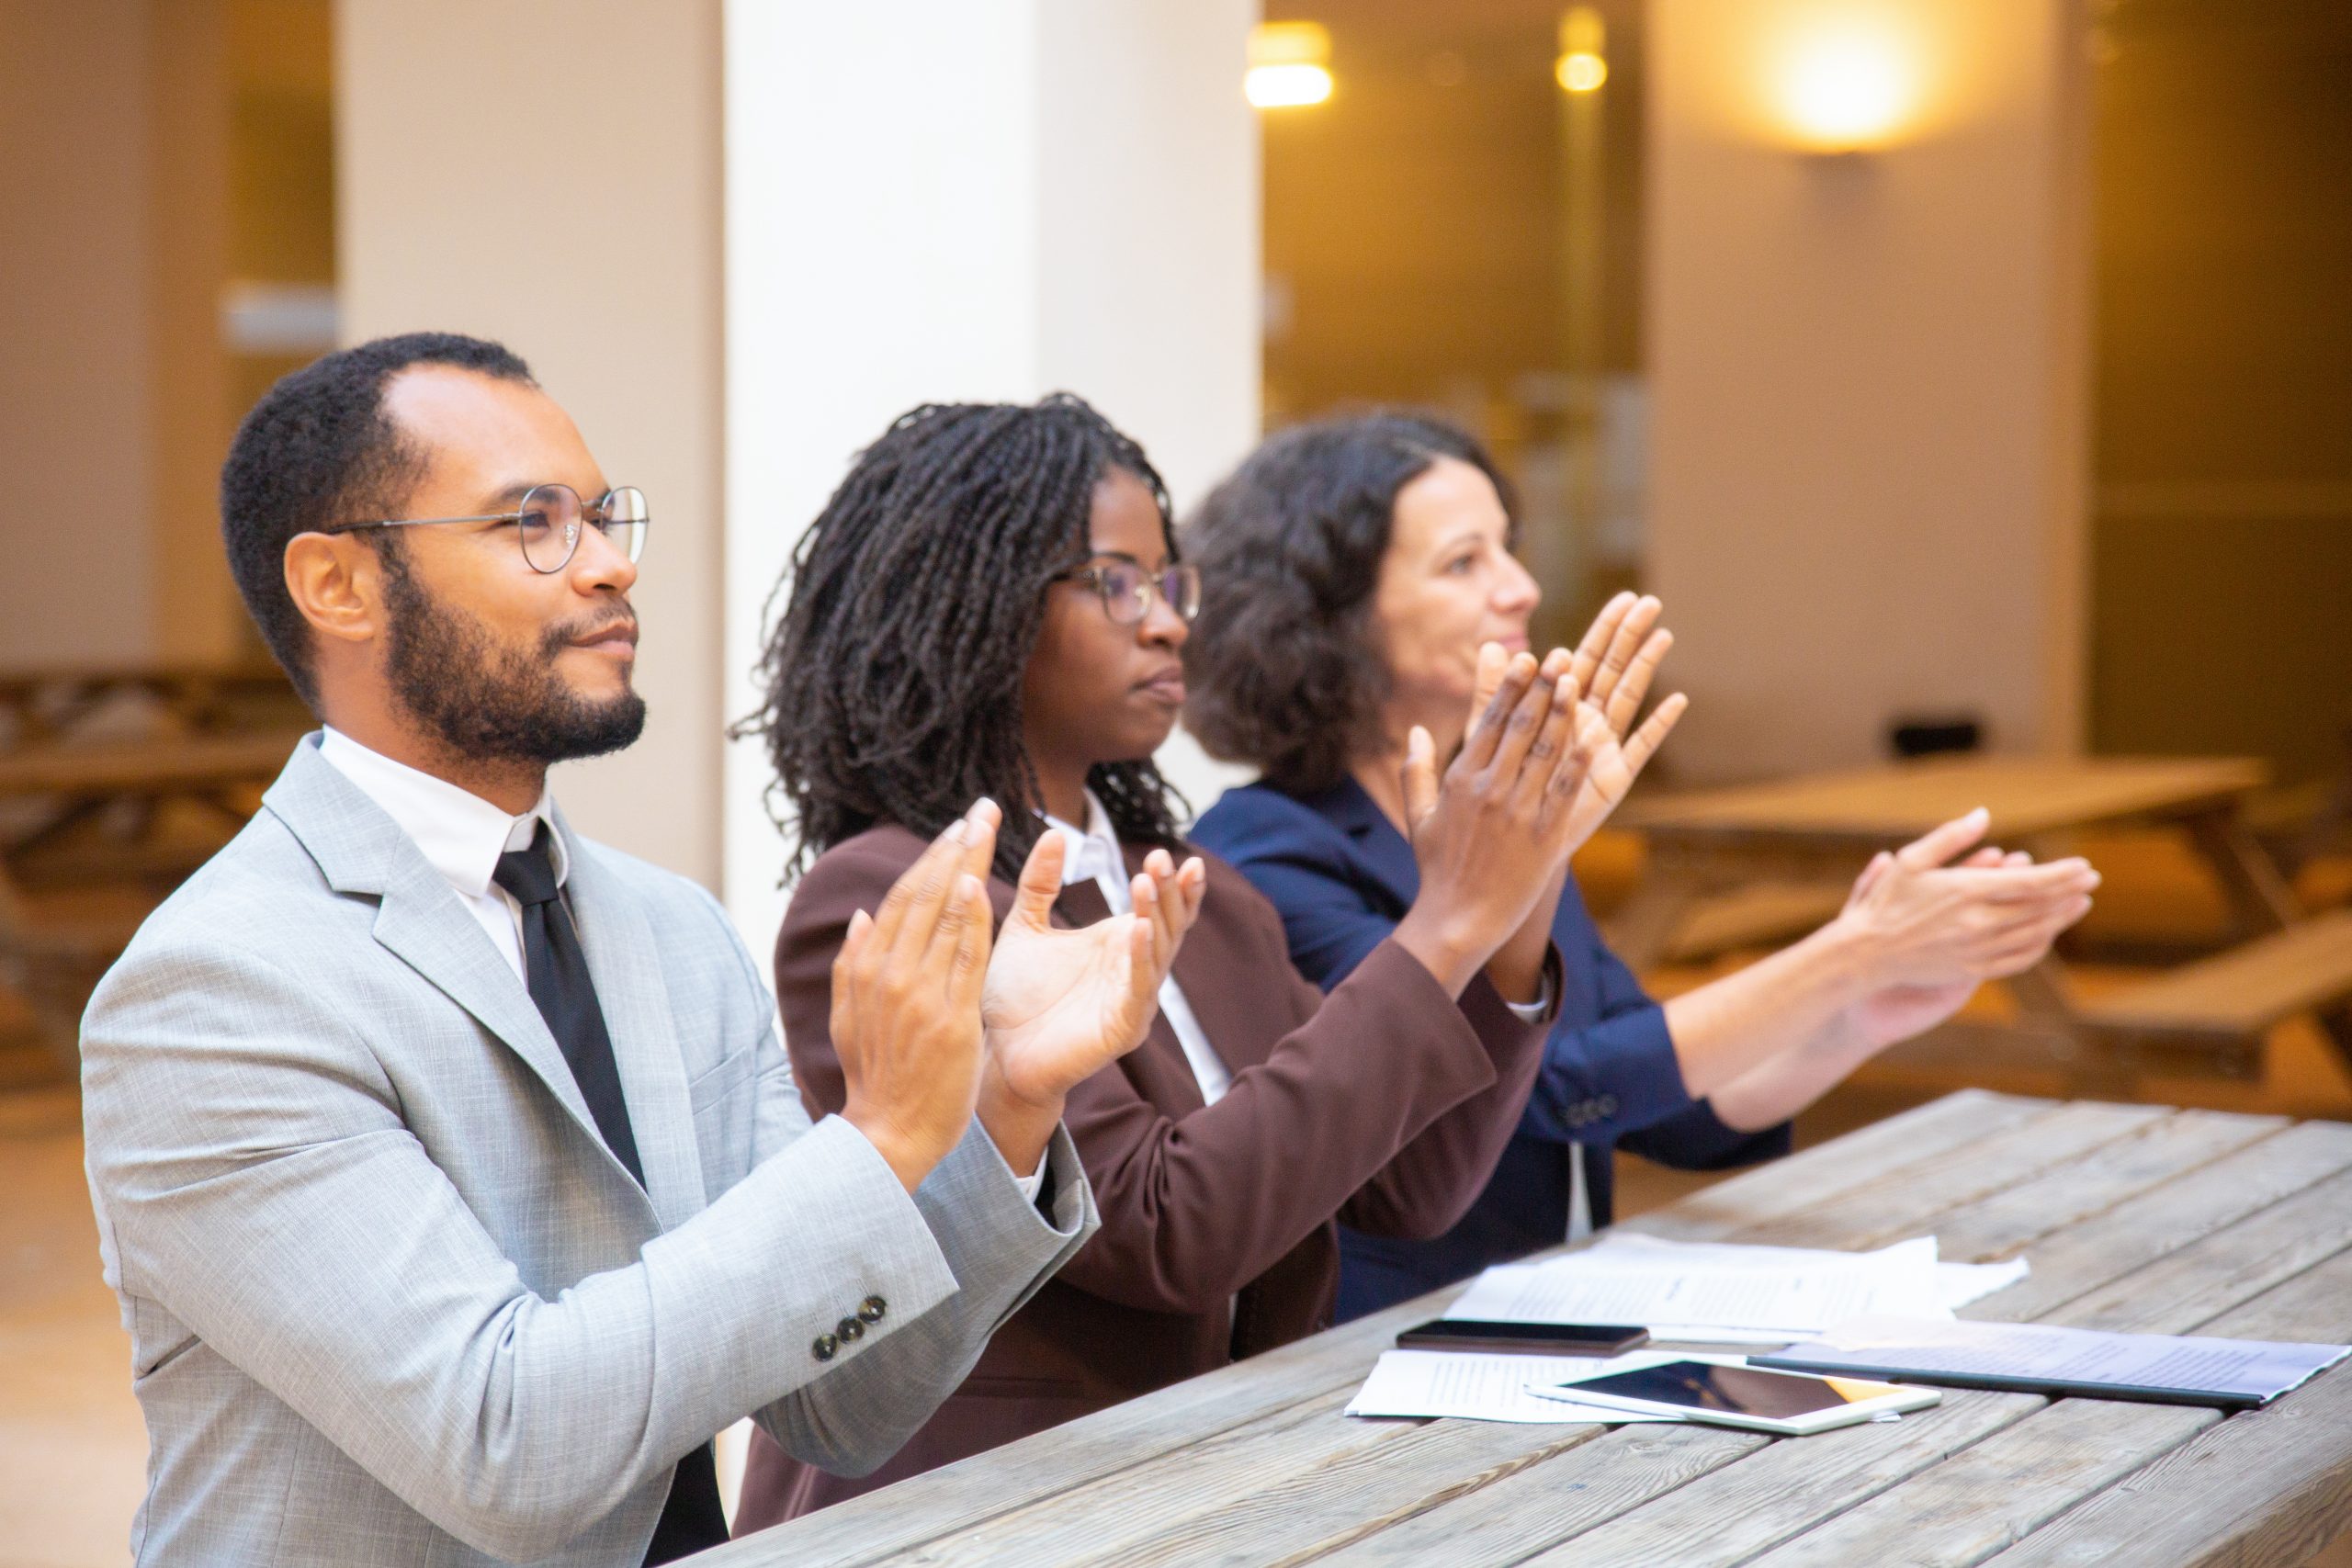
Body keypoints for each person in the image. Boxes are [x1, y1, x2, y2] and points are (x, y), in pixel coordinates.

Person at [78, 334, 1170, 1566]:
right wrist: (879, 1139)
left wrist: (1007, 1102)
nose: (610, 563)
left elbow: (844, 1405)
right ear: (340, 584)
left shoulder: (673, 927)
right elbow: (507, 1444)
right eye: (533, 521)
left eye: (603, 515)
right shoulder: (213, 991)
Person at [730, 393, 1651, 1530]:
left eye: (1172, 585)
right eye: (1116, 582)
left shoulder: (1197, 890)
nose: (1166, 622)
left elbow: (1412, 1188)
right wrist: (1443, 923)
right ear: (973, 603)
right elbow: (1167, 1232)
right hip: (974, 1518)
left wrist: (1521, 882)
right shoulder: (891, 896)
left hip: (1204, 1489)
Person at [1183, 412, 2101, 1319]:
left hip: (1535, 1324)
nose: (1520, 588)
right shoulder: (1262, 852)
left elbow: (1668, 1110)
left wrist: (1855, 1015)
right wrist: (1845, 954)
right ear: (1328, 615)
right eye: (1464, 563)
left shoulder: (1504, 818)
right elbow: (1538, 1089)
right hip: (1366, 1347)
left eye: (1509, 550)